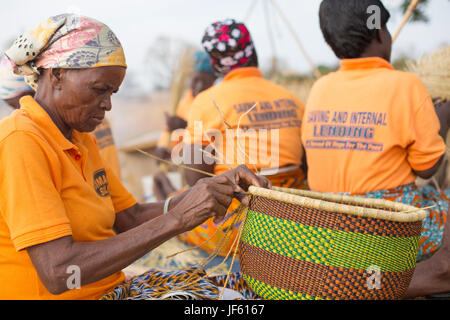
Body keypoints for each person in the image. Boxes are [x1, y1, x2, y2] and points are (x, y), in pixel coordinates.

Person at [0, 14, 270, 300]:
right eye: (100, 90)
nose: (108, 104)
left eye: (113, 92)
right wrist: (178, 217)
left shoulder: (80, 138)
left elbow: (130, 217)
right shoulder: (22, 140)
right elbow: (59, 272)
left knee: (240, 292)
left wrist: (207, 193)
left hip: (109, 289)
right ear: (57, 74)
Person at [301, 0, 450, 298]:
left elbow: (309, 165)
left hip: (328, 228)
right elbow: (427, 168)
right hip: (387, 229)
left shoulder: (320, 88)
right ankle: (427, 274)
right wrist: (441, 118)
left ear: (330, 41)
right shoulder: (406, 86)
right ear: (381, 33)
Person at [178, 19, 306, 258]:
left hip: (240, 229)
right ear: (253, 52)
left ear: (215, 64)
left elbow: (195, 177)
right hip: (296, 222)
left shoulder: (208, 101)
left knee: (175, 207)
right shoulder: (291, 98)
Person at [0, 56, 122, 178]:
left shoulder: (84, 125)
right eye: (15, 106)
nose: (22, 109)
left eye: (25, 100)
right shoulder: (22, 136)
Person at [154, 50, 217, 163]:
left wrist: (185, 126)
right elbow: (168, 131)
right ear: (190, 78)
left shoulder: (216, 103)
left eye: (205, 81)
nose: (199, 86)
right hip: (183, 162)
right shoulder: (183, 103)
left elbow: (215, 137)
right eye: (196, 80)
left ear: (214, 81)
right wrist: (162, 147)